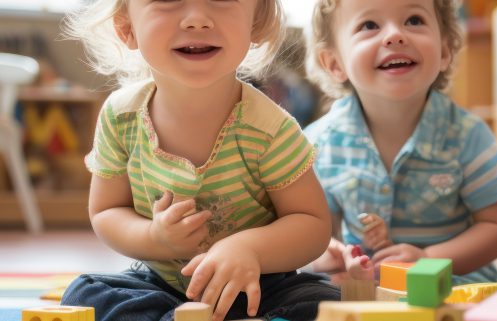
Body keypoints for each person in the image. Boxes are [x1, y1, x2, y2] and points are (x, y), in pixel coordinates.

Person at [60, 1, 338, 320]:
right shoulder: (120, 117)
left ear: (256, 22)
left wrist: (249, 249)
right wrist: (155, 238)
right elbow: (107, 211)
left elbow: (311, 225)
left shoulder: (269, 130)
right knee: (86, 293)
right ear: (127, 28)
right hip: (161, 285)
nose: (197, 20)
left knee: (323, 301)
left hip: (259, 289)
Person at [302, 0, 497, 285]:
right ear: (334, 63)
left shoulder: (466, 134)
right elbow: (315, 233)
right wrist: (330, 256)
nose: (395, 35)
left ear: (444, 51)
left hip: (453, 287)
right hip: (366, 293)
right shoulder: (320, 144)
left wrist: (429, 259)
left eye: (414, 20)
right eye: (369, 25)